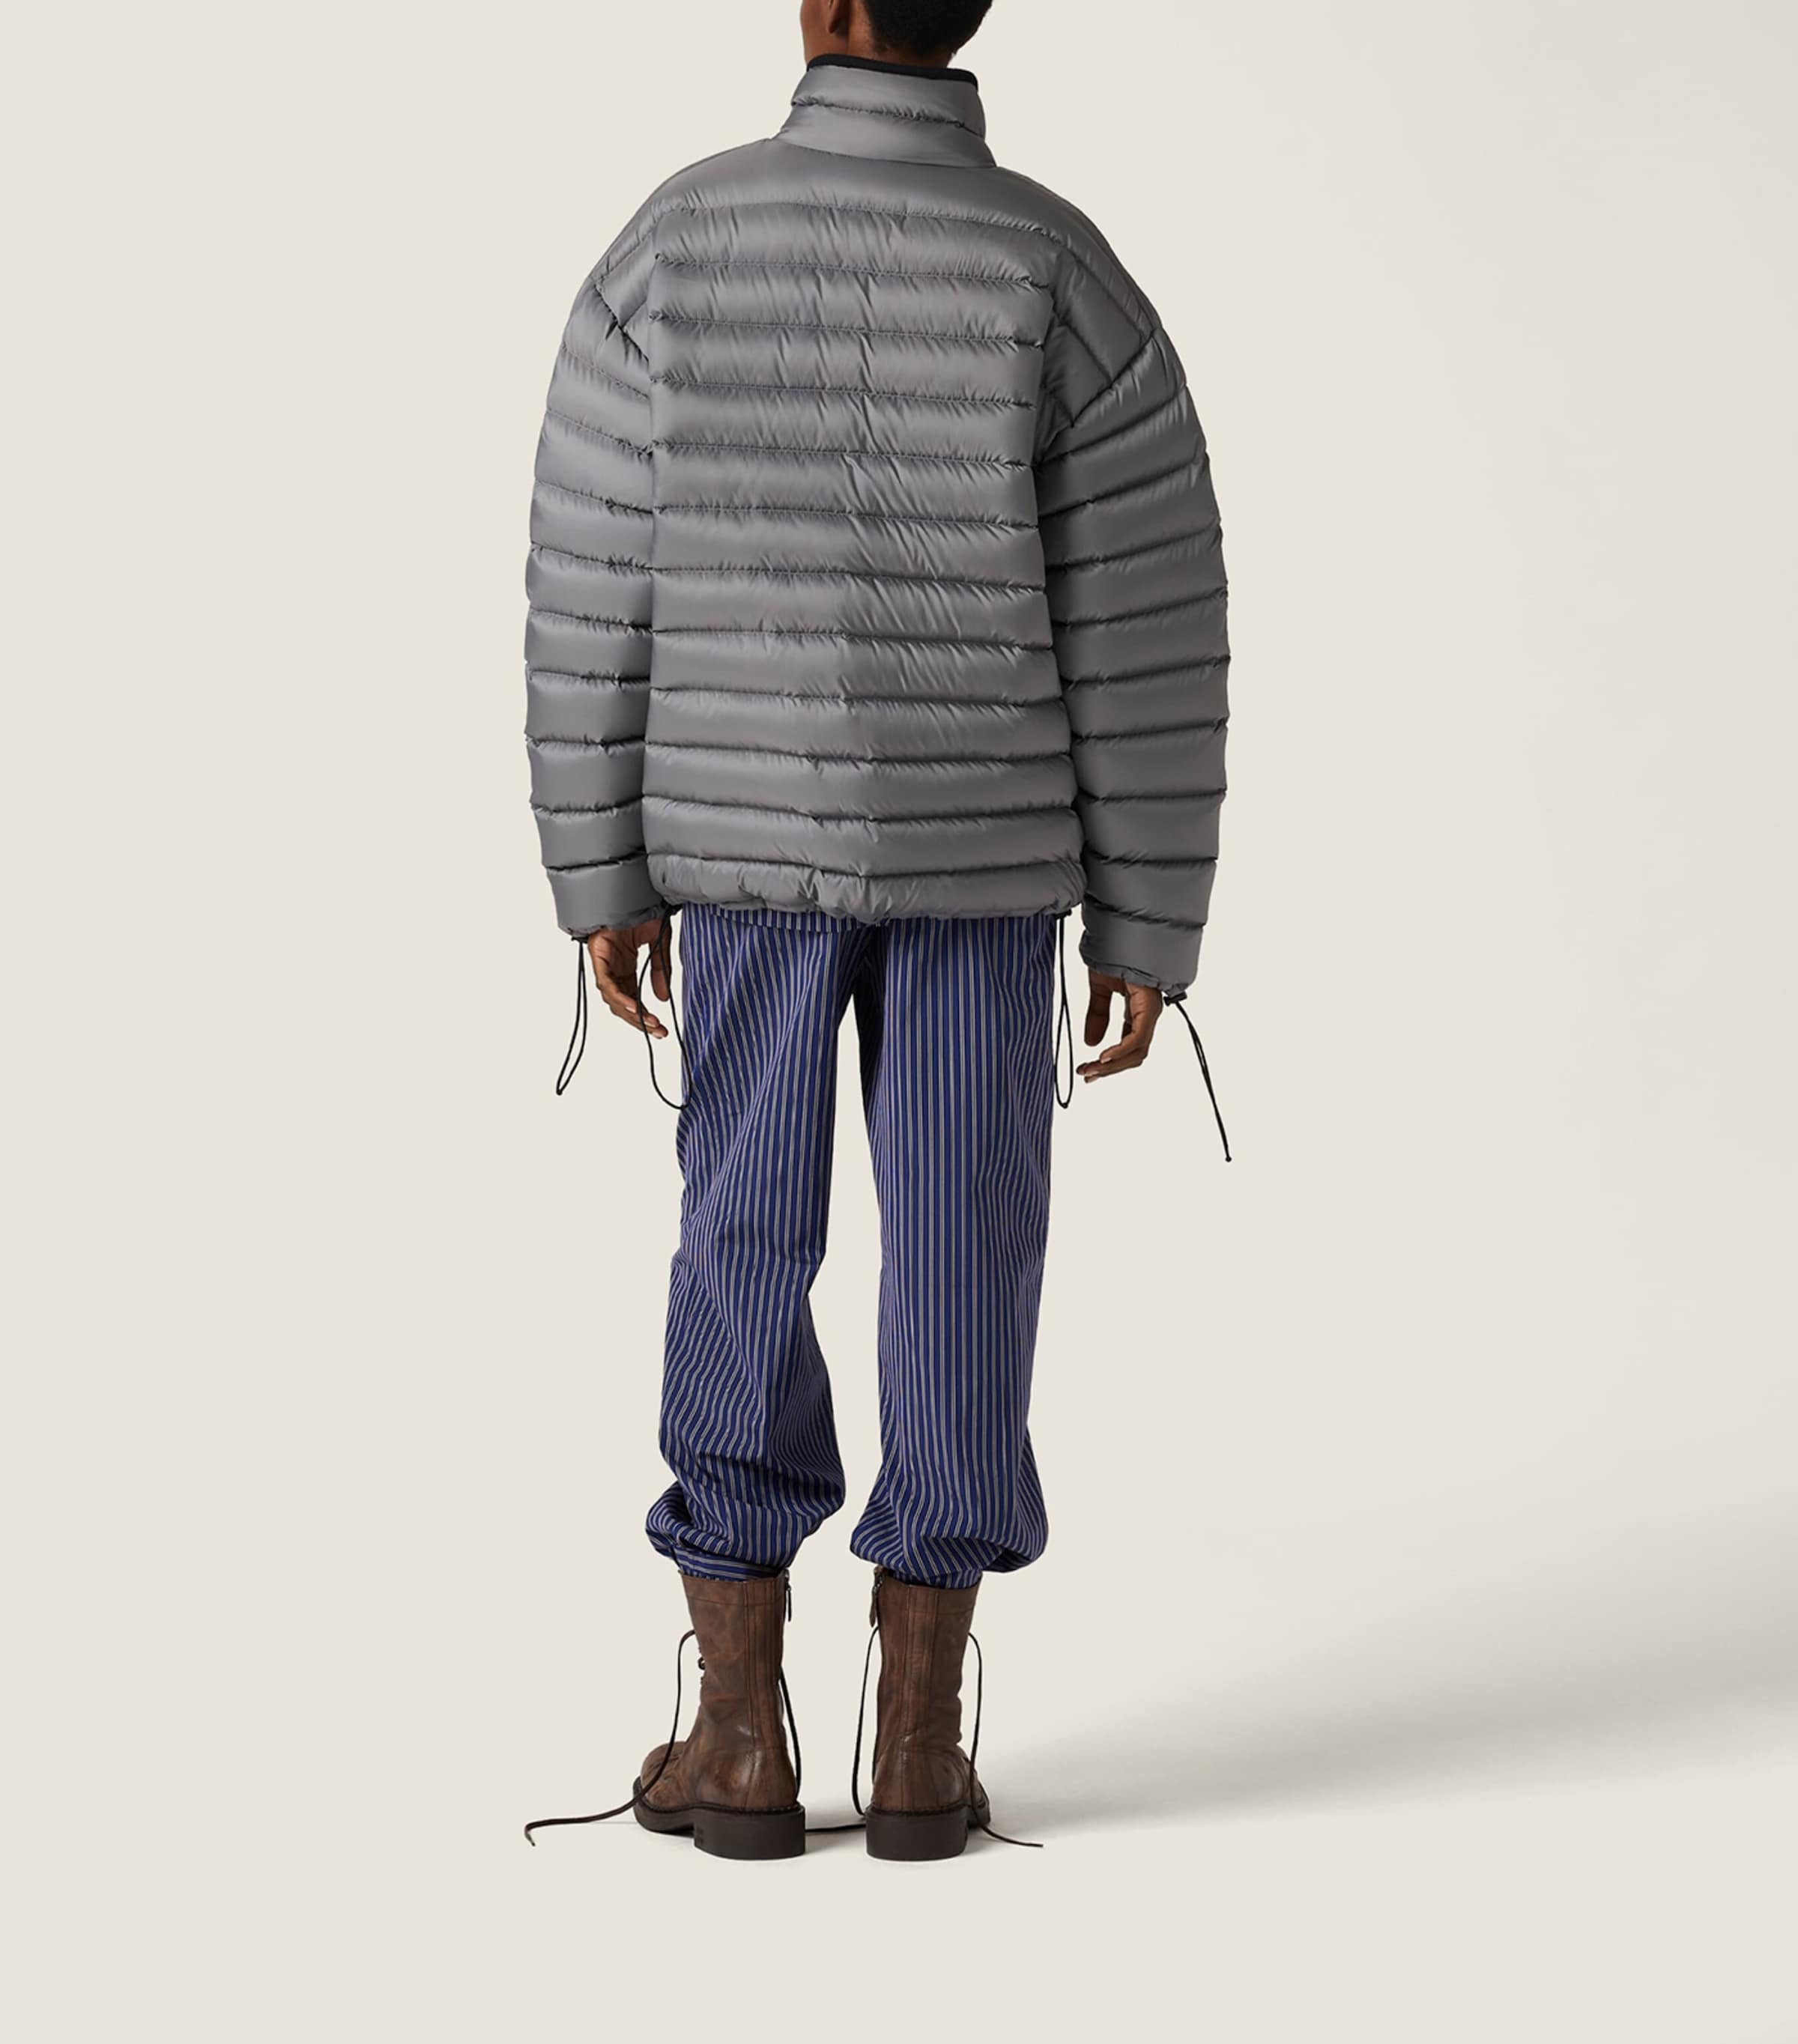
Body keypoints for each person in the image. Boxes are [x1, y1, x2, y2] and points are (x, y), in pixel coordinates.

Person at [522, 0, 1230, 1861]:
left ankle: (738, 1737)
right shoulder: (1060, 271)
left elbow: (594, 578)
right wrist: (1148, 917)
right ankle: (919, 1745)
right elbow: (1149, 620)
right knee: (965, 1257)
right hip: (987, 866)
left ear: (820, 9)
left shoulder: (671, 247)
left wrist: (601, 873)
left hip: (739, 858)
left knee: (741, 1239)